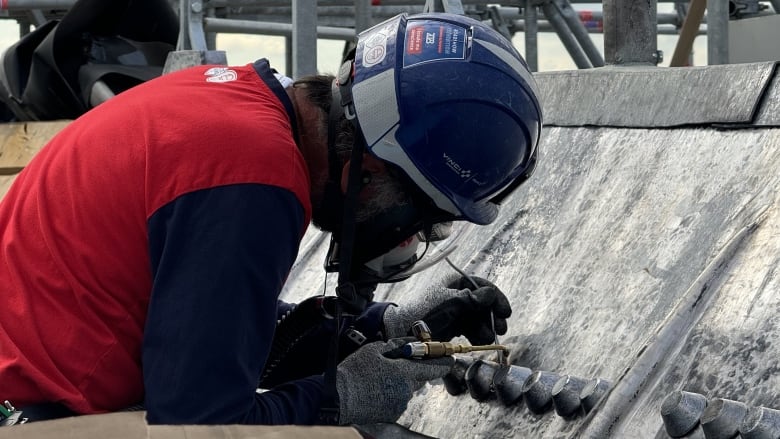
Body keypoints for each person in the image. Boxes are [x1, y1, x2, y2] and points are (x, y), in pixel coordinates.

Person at [0, 12, 542, 426]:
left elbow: (210, 319)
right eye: (420, 217)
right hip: (33, 415)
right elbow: (197, 426)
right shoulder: (251, 181)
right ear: (368, 173)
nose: (409, 237)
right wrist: (346, 395)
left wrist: (379, 330)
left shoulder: (240, 103)